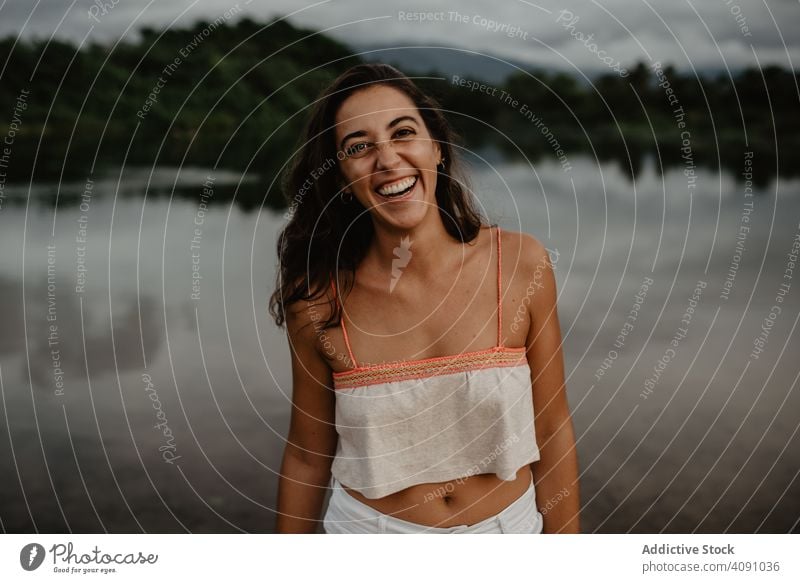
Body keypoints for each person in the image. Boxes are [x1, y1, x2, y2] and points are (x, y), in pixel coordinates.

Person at [270, 63, 579, 534]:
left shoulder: (521, 263)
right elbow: (306, 458)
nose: (387, 159)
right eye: (359, 147)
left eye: (403, 133)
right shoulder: (317, 301)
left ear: (436, 148)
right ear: (340, 178)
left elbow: (553, 429)